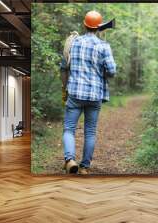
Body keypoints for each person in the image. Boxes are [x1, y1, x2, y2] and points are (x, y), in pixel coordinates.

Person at [60, 10, 116, 175]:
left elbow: (64, 66)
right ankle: (84, 167)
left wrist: (64, 87)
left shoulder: (73, 42)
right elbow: (112, 71)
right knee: (90, 131)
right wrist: (102, 72)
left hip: (75, 93)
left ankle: (70, 160)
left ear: (84, 25)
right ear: (98, 27)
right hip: (94, 95)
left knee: (69, 129)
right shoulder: (103, 46)